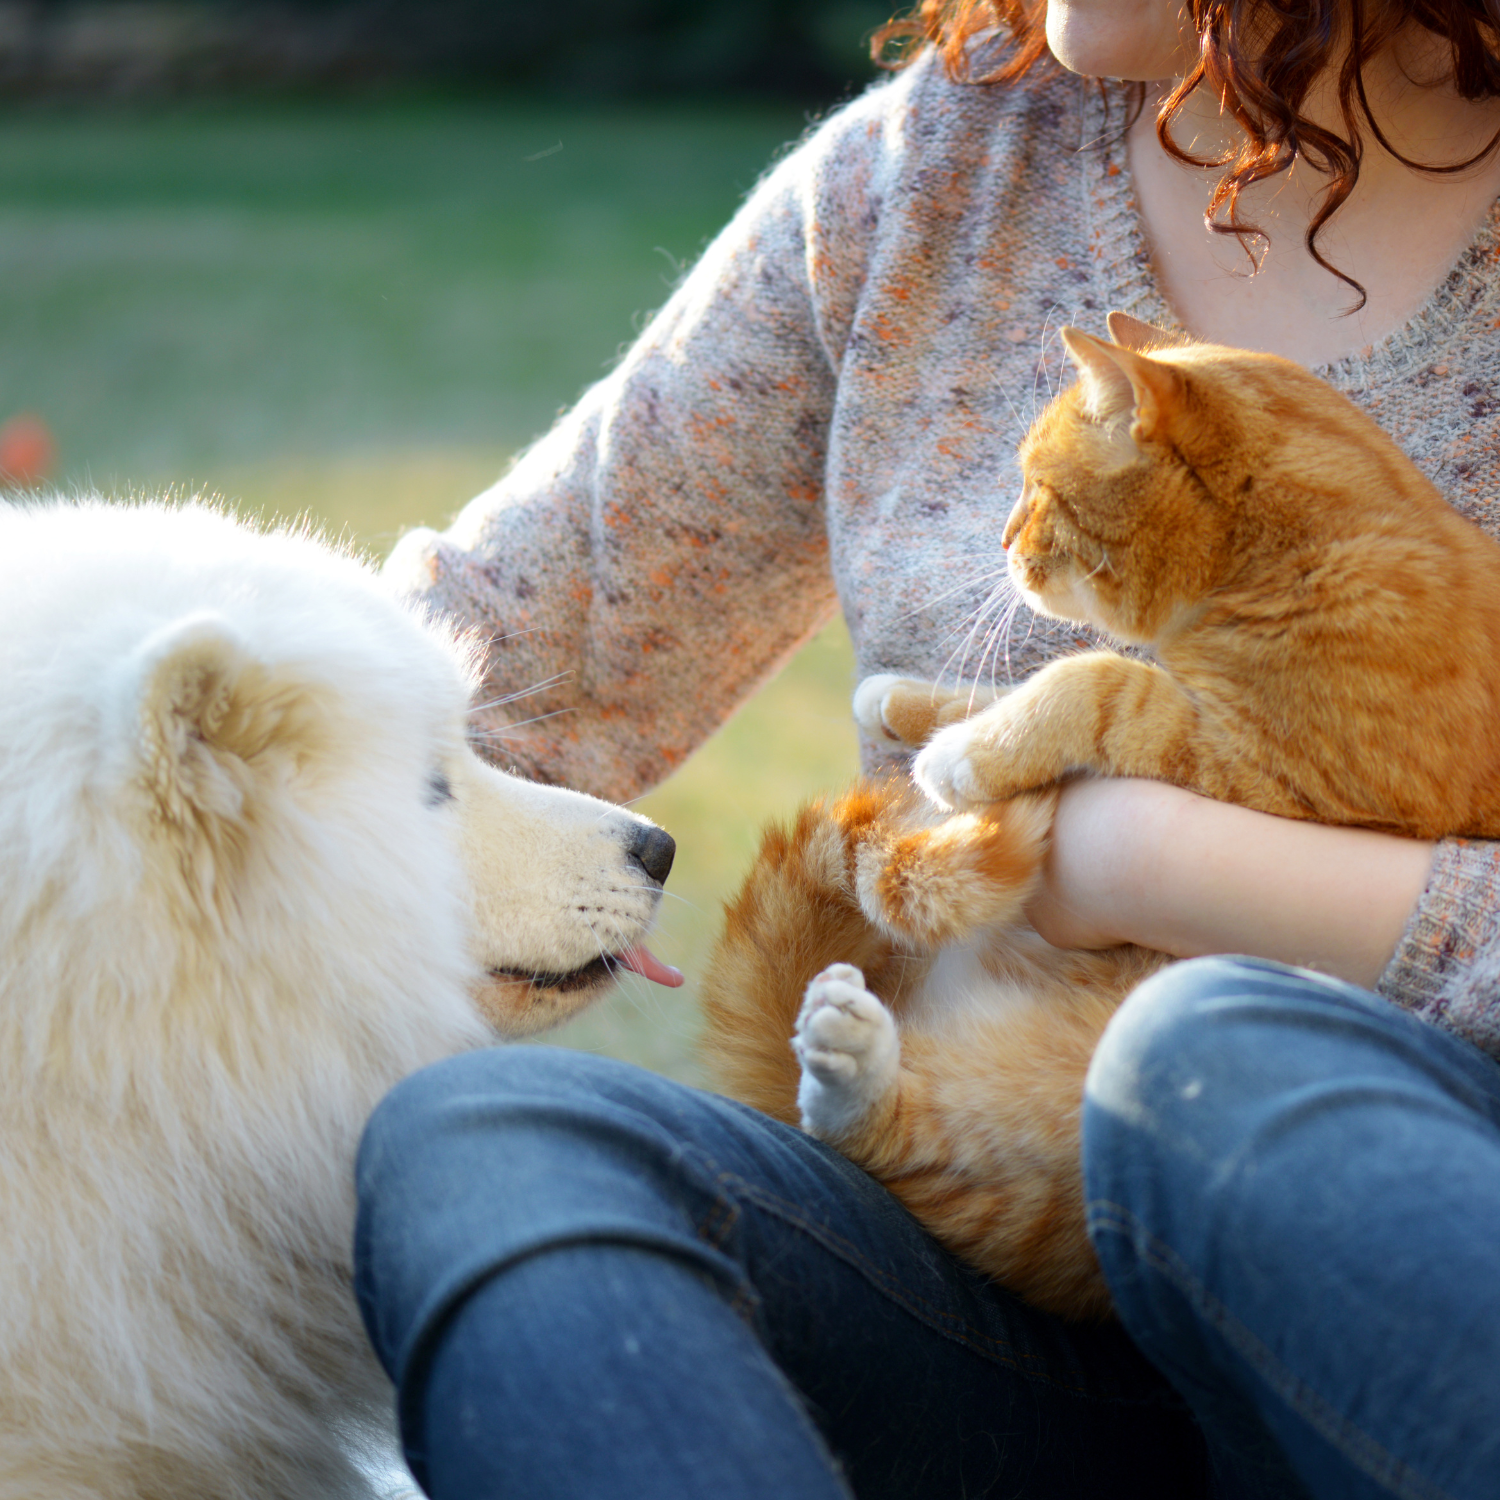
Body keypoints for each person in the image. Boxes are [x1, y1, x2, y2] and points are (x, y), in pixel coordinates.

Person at [354, 2, 1500, 1495]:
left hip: (1414, 1259)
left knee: (1207, 1054)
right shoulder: (949, 167)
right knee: (486, 1142)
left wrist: (1156, 862)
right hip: (977, 1257)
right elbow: (499, 650)